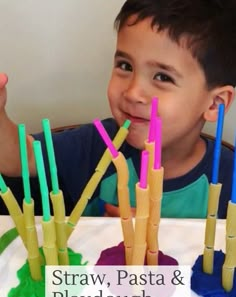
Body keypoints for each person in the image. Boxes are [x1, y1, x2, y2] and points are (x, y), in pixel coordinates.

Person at [0, 0, 235, 218]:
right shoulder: (98, 144)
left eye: (162, 77)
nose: (133, 92)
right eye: (125, 65)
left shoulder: (229, 177)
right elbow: (19, 159)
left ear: (215, 104)